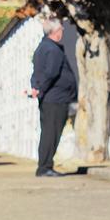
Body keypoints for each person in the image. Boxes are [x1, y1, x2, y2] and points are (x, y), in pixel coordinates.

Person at [29, 16, 77, 177]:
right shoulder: (53, 49)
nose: (62, 32)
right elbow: (51, 73)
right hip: (56, 99)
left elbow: (38, 73)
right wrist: (39, 88)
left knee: (48, 132)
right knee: (51, 133)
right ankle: (45, 167)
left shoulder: (42, 48)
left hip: (50, 98)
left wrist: (36, 88)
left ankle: (45, 165)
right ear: (55, 31)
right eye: (61, 29)